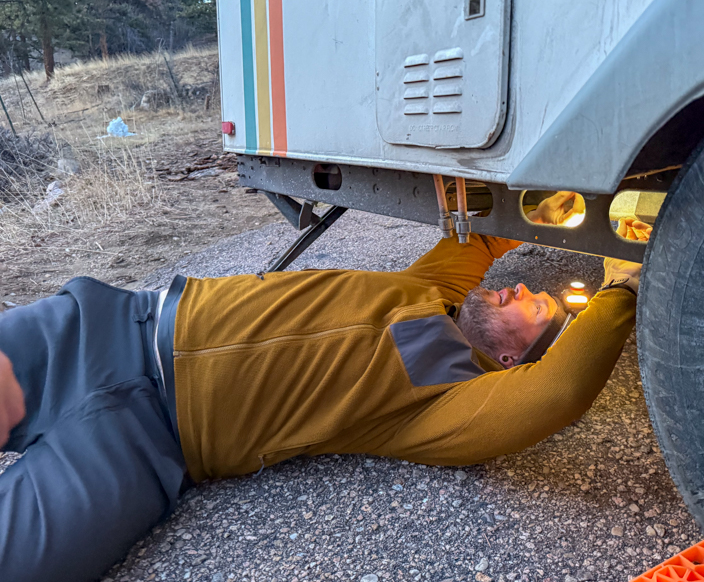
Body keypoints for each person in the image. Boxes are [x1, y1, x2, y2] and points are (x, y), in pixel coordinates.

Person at [0, 191, 651, 582]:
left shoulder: (449, 403)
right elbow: (481, 232)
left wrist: (622, 285)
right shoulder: (437, 292)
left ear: (513, 359)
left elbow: (556, 395)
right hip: (105, 329)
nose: (521, 284)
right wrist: (585, 210)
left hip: (141, 446)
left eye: (535, 306)